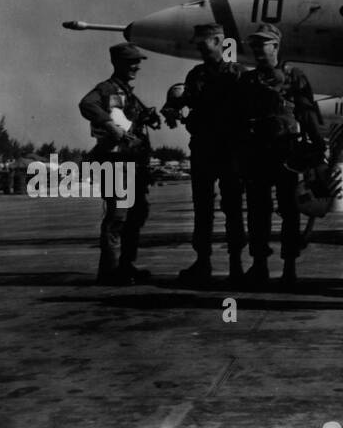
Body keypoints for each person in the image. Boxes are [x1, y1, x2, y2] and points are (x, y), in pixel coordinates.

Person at [238, 22, 325, 290]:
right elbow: (239, 119)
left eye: (261, 44)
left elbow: (308, 113)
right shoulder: (248, 80)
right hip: (257, 155)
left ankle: (289, 267)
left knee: (290, 211)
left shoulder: (293, 76)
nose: (256, 49)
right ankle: (260, 265)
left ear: (275, 45)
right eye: (253, 45)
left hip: (287, 154)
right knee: (257, 212)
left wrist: (320, 147)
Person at [160, 23, 247, 287]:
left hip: (230, 149)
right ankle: (203, 262)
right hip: (202, 149)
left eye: (204, 41)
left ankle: (236, 264)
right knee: (202, 208)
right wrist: (172, 110)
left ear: (219, 40)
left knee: (232, 207)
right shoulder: (195, 74)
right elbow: (180, 101)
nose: (198, 46)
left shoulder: (237, 74)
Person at [79, 42, 161, 285]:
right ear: (117, 63)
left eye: (137, 62)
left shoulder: (129, 93)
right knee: (118, 216)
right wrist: (109, 125)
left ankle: (126, 265)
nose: (136, 66)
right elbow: (86, 104)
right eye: (131, 62)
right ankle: (110, 270)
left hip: (134, 163)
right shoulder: (105, 89)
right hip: (115, 163)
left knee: (136, 215)